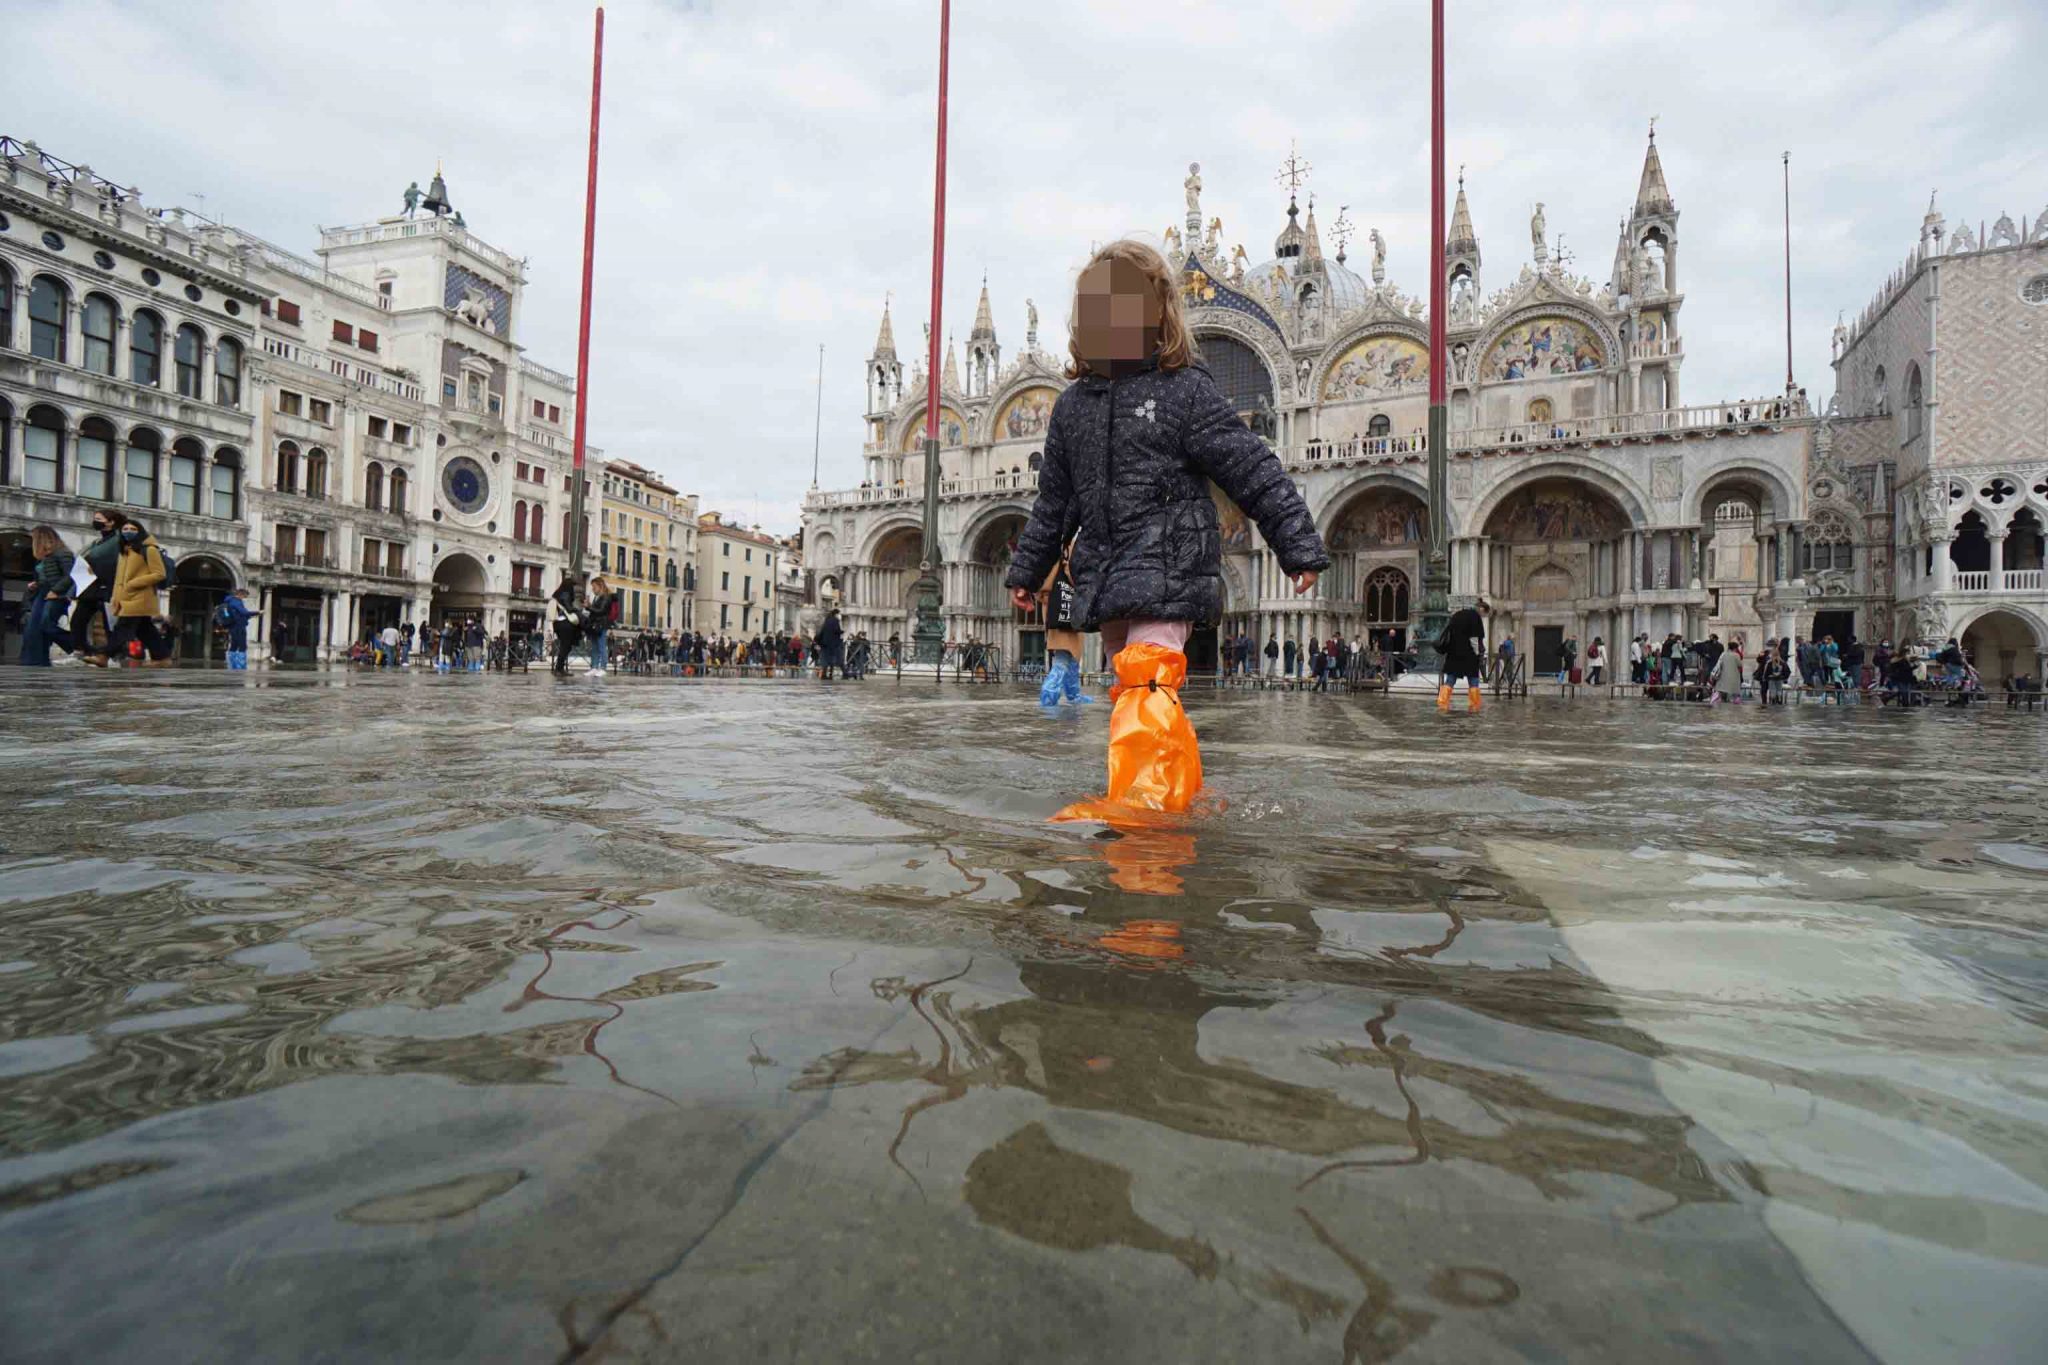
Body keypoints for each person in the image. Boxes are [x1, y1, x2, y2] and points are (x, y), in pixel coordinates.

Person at [1003, 238, 1327, 817]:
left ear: (1158, 316)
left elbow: (1250, 465)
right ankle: (1174, 785)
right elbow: (1055, 500)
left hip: (1170, 566)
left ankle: (1144, 809)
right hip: (1107, 574)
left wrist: (1296, 542)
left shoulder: (1185, 390)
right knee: (1134, 690)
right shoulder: (1072, 406)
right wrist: (1028, 568)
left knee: (1148, 680)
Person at [107, 517, 169, 668]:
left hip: (140, 596)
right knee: (144, 629)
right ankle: (161, 657)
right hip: (125, 597)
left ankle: (104, 655)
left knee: (123, 627)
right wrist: (116, 596)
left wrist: (133, 583)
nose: (128, 532)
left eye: (133, 529)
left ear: (140, 531)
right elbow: (119, 578)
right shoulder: (124, 552)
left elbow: (159, 574)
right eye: (125, 529)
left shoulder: (149, 549)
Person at [66, 510, 123, 666]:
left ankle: (113, 656)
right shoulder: (97, 543)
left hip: (108, 587)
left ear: (111, 522)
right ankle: (80, 651)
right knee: (78, 619)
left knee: (109, 623)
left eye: (99, 519)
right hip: (91, 586)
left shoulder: (118, 541)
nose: (95, 521)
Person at [17, 525, 76, 667]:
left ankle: (77, 647)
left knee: (46, 624)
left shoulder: (63, 553)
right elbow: (46, 576)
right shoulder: (44, 557)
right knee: (33, 628)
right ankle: (34, 661)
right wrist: (36, 584)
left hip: (56, 594)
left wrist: (56, 591)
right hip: (42, 592)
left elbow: (70, 575)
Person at [1436, 599, 1489, 713]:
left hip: (1454, 653)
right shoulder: (1475, 617)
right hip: (1469, 654)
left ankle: (1442, 704)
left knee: (1450, 679)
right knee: (1473, 680)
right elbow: (1474, 638)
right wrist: (1477, 653)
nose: (1482, 616)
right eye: (1484, 614)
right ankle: (1474, 706)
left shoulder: (1457, 614)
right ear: (1481, 609)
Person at [215, 588, 258, 670]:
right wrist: (257, 612)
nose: (244, 599)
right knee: (242, 646)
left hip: (232, 626)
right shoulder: (236, 602)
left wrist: (249, 616)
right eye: (245, 596)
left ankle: (232, 665)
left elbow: (239, 615)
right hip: (239, 626)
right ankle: (240, 666)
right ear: (241, 594)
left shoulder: (230, 601)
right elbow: (244, 613)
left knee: (234, 646)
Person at [583, 576, 618, 675]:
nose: (593, 589)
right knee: (594, 646)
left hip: (601, 624)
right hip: (595, 624)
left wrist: (589, 607)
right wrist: (589, 606)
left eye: (594, 587)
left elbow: (601, 611)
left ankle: (603, 667)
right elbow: (595, 610)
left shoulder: (606, 597)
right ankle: (594, 667)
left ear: (600, 586)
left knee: (601, 646)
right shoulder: (597, 597)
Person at [550, 574, 583, 675]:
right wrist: (577, 611)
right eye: (572, 586)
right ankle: (559, 669)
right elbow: (569, 608)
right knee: (565, 646)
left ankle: (559, 668)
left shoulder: (558, 594)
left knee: (565, 646)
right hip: (565, 624)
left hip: (558, 623)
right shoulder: (565, 594)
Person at [816, 609, 845, 681]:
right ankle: (834, 674)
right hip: (833, 643)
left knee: (826, 659)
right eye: (839, 614)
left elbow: (822, 631)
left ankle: (824, 674)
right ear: (836, 614)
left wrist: (819, 642)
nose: (840, 615)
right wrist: (841, 631)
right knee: (836, 658)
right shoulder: (835, 621)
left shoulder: (827, 620)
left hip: (825, 643)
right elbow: (836, 630)